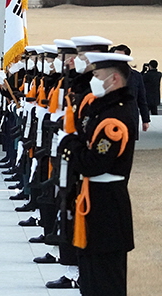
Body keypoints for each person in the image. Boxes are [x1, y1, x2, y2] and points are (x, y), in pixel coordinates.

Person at [59, 52, 137, 296]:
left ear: (113, 79)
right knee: (90, 274)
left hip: (107, 204)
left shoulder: (115, 118)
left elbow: (94, 163)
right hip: (93, 198)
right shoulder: (102, 109)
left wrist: (70, 147)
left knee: (106, 278)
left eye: (97, 75)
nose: (92, 80)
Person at [109, 44, 150, 136]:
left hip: (130, 116)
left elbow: (141, 99)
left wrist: (145, 120)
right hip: (111, 117)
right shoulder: (106, 75)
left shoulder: (136, 76)